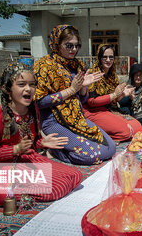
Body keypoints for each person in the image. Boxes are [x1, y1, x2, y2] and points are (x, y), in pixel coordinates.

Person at [0, 63, 83, 205]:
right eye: (22, 84)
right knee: (57, 188)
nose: (28, 89)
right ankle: (4, 191)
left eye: (32, 85)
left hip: (28, 159)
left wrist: (42, 143)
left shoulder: (32, 111)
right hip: (5, 167)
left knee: (75, 175)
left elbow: (33, 143)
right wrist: (15, 149)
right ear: (7, 89)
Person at [34, 25, 116, 165]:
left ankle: (67, 147)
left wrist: (83, 88)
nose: (74, 50)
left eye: (77, 46)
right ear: (57, 44)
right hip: (54, 121)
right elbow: (40, 101)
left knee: (111, 148)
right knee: (91, 156)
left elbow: (83, 99)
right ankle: (55, 151)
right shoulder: (43, 65)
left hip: (77, 118)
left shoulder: (76, 65)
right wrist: (71, 90)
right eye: (69, 45)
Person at [83, 44, 142, 142]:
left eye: (111, 57)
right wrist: (114, 95)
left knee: (137, 127)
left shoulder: (112, 75)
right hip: (93, 111)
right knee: (126, 132)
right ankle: (95, 137)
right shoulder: (93, 74)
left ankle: (106, 132)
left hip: (108, 110)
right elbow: (91, 102)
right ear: (99, 58)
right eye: (104, 57)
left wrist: (123, 94)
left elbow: (115, 99)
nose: (108, 60)